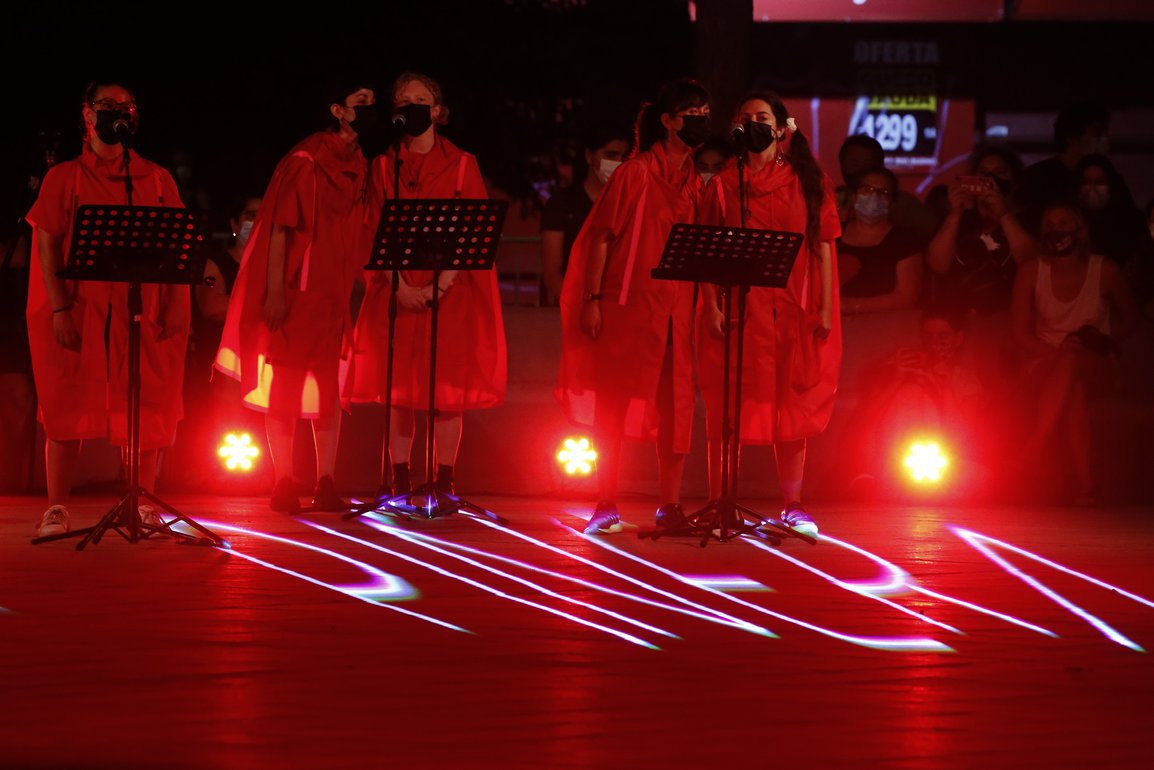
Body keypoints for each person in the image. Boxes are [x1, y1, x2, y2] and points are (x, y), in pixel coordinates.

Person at [25, 79, 189, 537]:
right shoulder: (65, 177)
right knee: (66, 401)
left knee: (145, 401)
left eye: (127, 106)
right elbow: (47, 245)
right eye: (107, 105)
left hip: (140, 308)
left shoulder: (155, 178)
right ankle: (57, 507)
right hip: (80, 307)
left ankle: (143, 504)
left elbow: (177, 244)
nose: (119, 112)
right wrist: (59, 309)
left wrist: (175, 307)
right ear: (87, 114)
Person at [556, 76, 710, 534]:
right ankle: (606, 501)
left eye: (705, 115)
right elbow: (601, 237)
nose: (701, 122)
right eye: (691, 115)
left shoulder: (694, 181)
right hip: (628, 308)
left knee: (676, 405)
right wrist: (592, 299)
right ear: (668, 121)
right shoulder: (635, 173)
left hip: (675, 312)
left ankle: (671, 506)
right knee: (614, 405)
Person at [215, 77, 376, 513]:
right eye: (360, 101)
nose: (369, 108)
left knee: (328, 390)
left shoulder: (361, 163)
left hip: (333, 294)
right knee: (285, 387)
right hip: (298, 292)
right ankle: (283, 480)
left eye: (372, 101)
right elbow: (280, 229)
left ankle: (326, 481)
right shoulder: (307, 160)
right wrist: (275, 292)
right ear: (338, 110)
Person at [347, 71, 506, 502]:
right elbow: (372, 232)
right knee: (399, 392)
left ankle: (443, 480)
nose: (411, 105)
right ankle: (399, 479)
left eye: (420, 99)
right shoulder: (384, 165)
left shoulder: (463, 163)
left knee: (445, 392)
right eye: (404, 99)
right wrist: (399, 286)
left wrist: (440, 285)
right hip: (396, 290)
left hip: (449, 293)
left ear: (437, 110)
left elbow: (473, 230)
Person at [696, 90, 841, 538]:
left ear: (781, 129)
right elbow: (706, 251)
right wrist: (711, 305)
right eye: (746, 117)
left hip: (793, 309)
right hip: (740, 312)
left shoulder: (807, 181)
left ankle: (792, 504)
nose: (754, 123)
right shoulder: (723, 183)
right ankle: (723, 501)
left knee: (791, 405)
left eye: (763, 117)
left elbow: (823, 245)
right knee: (728, 407)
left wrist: (824, 308)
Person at [1009, 202, 1138, 504]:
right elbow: (1020, 334)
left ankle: (1033, 450)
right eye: (1050, 224)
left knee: (1075, 362)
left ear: (1079, 230)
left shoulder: (1105, 270)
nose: (1056, 230)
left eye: (1063, 223)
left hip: (1093, 361)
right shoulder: (1031, 271)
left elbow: (1130, 318)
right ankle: (1086, 486)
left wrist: (1104, 341)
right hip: (1045, 359)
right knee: (1073, 386)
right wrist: (1058, 355)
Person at [842, 305, 991, 499]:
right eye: (929, 336)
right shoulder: (903, 367)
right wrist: (895, 379)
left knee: (982, 477)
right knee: (910, 391)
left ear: (958, 338)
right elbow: (866, 419)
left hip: (944, 462)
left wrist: (943, 386)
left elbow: (962, 436)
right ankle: (877, 478)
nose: (934, 343)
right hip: (897, 459)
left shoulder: (966, 381)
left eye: (942, 336)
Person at [926, 145, 1037, 317]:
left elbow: (1031, 263)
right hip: (956, 318)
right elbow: (938, 265)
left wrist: (1004, 215)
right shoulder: (959, 220)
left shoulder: (1027, 220)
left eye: (1000, 172)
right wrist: (955, 213)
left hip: (1006, 318)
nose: (990, 179)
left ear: (1014, 182)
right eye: (983, 173)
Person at [539, 122, 631, 305]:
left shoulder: (629, 204)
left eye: (624, 157)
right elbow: (552, 274)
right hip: (573, 308)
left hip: (617, 310)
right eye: (611, 155)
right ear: (589, 156)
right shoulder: (562, 203)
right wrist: (581, 308)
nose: (618, 163)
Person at [837, 166, 925, 315]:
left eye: (883, 192)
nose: (874, 197)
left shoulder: (905, 240)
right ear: (853, 196)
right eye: (867, 190)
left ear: (892, 202)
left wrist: (851, 305)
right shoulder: (833, 234)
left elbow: (906, 297)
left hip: (886, 325)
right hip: (835, 324)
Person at [1018, 101, 1111, 235]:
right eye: (1097, 133)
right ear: (1072, 137)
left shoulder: (1110, 178)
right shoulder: (1036, 178)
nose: (1105, 138)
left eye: (1106, 132)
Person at [835, 133, 935, 237]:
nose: (861, 172)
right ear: (842, 165)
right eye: (854, 164)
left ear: (881, 166)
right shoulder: (832, 202)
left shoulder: (907, 208)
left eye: (868, 165)